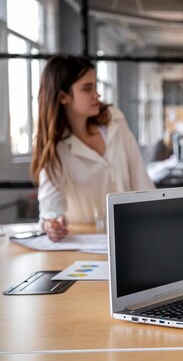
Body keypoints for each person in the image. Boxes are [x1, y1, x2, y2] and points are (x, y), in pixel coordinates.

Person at [31, 55, 155, 241]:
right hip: (86, 241)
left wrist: (156, 219)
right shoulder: (54, 149)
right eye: (87, 89)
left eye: (95, 86)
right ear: (63, 97)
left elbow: (140, 177)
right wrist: (52, 225)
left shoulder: (115, 120)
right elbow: (51, 210)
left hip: (131, 234)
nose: (97, 95)